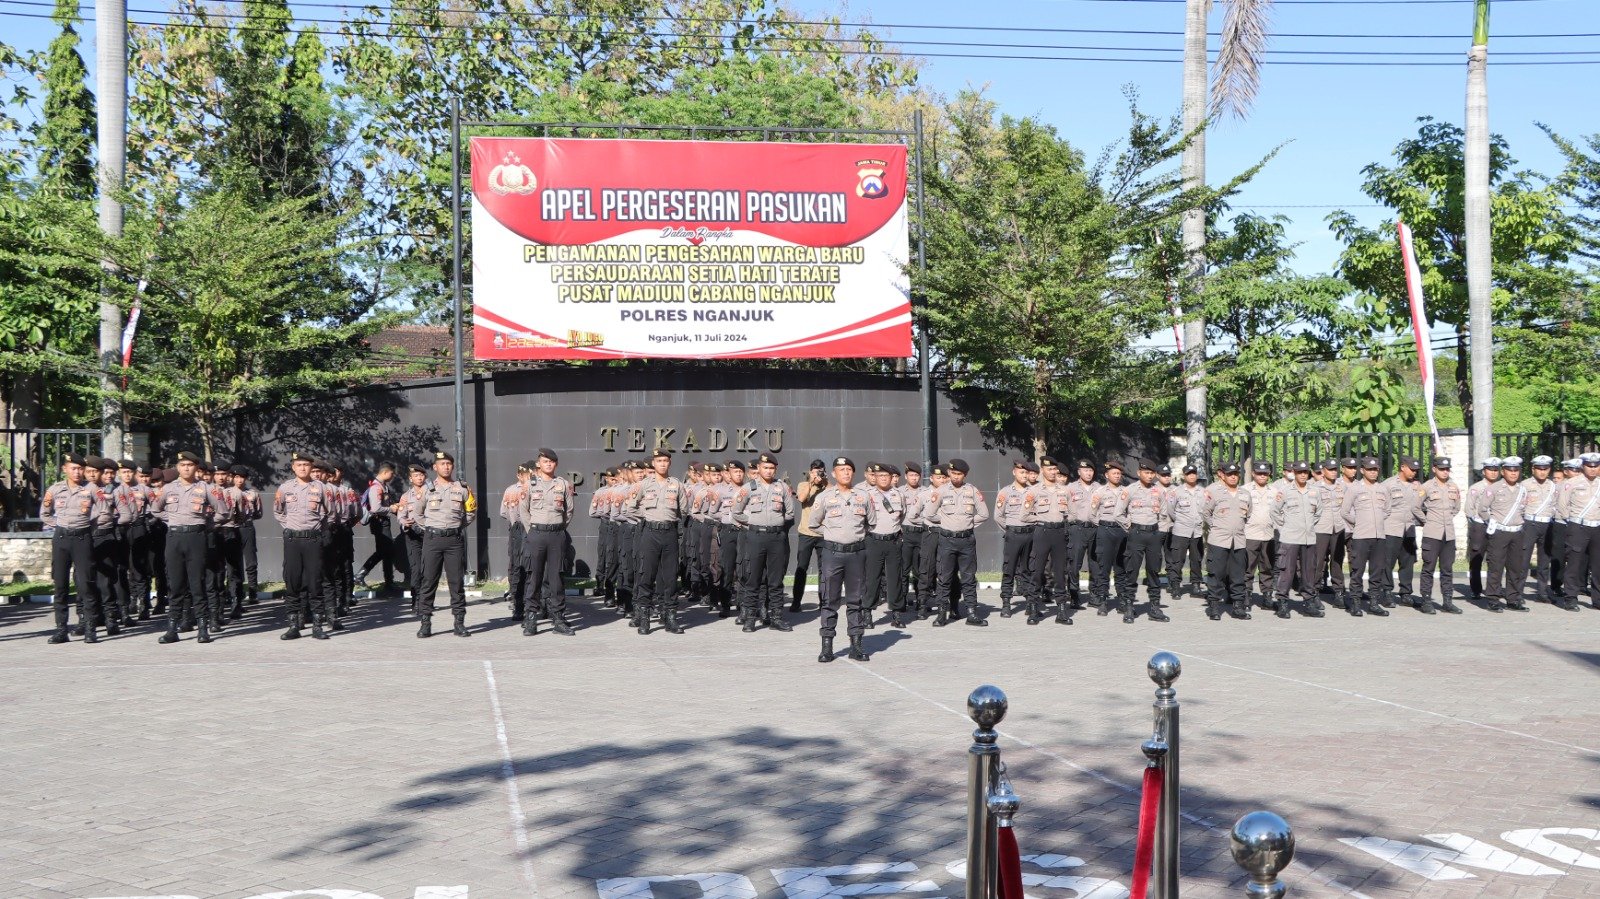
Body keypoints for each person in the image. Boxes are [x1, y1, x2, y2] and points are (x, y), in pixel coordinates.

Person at [809, 456, 876, 661]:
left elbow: (871, 523)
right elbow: (814, 523)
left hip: (856, 554)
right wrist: (833, 535)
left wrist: (853, 536)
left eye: (849, 469)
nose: (846, 473)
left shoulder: (863, 496)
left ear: (853, 473)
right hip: (833, 554)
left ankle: (856, 645)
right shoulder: (824, 497)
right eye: (841, 469)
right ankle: (827, 647)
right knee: (830, 599)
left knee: (856, 600)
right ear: (833, 474)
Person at [155, 451, 227, 643]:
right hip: (174, 537)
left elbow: (223, 512)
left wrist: (206, 525)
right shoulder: (168, 489)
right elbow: (155, 509)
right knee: (176, 585)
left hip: (196, 537)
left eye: (190, 465)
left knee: (197, 584)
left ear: (196, 467)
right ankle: (172, 629)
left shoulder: (206, 488)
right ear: (177, 468)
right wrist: (170, 520)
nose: (186, 468)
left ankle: (203, 628)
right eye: (182, 465)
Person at [40, 453, 110, 643]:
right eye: (74, 468)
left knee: (86, 584)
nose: (78, 472)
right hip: (61, 539)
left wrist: (90, 526)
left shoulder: (92, 489)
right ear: (65, 469)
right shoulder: (55, 489)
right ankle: (61, 630)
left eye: (81, 469)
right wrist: (60, 524)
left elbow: (105, 512)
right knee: (60, 585)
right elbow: (44, 513)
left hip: (83, 538)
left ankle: (90, 628)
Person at [624, 448, 689, 634]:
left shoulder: (676, 485)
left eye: (665, 461)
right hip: (649, 533)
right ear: (653, 463)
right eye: (658, 460)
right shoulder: (643, 485)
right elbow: (631, 507)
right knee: (646, 576)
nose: (662, 464)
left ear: (670, 463)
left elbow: (683, 510)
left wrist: (668, 520)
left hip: (669, 534)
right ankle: (644, 618)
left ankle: (670, 618)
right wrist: (647, 517)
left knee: (669, 578)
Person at [413, 450, 477, 638]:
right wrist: (432, 528)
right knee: (429, 581)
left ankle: (459, 622)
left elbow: (471, 512)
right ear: (435, 467)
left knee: (456, 583)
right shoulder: (427, 488)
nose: (446, 467)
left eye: (449, 464)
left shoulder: (463, 488)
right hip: (432, 539)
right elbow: (418, 514)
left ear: (452, 466)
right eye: (442, 464)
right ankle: (425, 622)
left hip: (454, 541)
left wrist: (456, 527)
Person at [733, 452, 797, 631]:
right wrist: (753, 520)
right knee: (753, 578)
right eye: (765, 467)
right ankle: (750, 618)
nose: (768, 471)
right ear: (759, 468)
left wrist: (775, 524)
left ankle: (776, 617)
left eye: (771, 468)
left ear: (775, 469)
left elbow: (790, 513)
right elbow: (736, 511)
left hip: (776, 537)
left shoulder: (783, 487)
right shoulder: (748, 488)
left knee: (775, 580)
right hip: (755, 537)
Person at [518, 448, 576, 636]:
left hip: (557, 535)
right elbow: (523, 511)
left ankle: (558, 619)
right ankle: (531, 619)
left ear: (556, 464)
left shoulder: (564, 484)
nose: (548, 464)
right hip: (536, 534)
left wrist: (558, 528)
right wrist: (532, 531)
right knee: (534, 577)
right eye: (545, 461)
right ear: (539, 464)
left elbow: (569, 511)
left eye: (552, 461)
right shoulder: (529, 484)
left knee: (557, 578)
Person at [276, 452, 333, 640]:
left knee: (315, 582)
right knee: (292, 582)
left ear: (311, 467)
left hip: (313, 540)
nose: (302, 468)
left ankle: (317, 625)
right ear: (293, 467)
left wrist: (317, 530)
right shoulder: (285, 488)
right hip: (292, 540)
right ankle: (294, 625)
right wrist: (290, 527)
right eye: (298, 465)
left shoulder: (321, 488)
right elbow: (278, 511)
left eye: (306, 465)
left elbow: (329, 513)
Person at [927, 458, 989, 626]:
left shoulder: (972, 491)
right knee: (944, 578)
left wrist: (968, 524)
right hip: (947, 540)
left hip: (967, 541)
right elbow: (929, 514)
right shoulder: (940, 491)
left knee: (968, 578)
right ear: (949, 473)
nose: (955, 477)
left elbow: (984, 514)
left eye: (959, 474)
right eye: (953, 473)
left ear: (965, 475)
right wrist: (947, 522)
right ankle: (941, 613)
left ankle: (971, 613)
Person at [1270, 462, 1321, 618]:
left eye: (1305, 472)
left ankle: (1309, 602)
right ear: (1294, 473)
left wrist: (1310, 526)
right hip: (1290, 538)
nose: (1303, 475)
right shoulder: (1285, 491)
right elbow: (1274, 511)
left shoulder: (1315, 491)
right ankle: (1282, 602)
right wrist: (1284, 528)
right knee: (1286, 570)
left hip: (1309, 538)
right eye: (1299, 472)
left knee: (1309, 571)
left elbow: (1318, 512)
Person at [1201, 462, 1251, 621]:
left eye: (1236, 474)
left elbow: (1248, 514)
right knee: (1216, 574)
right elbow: (1206, 513)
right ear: (1224, 475)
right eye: (1230, 474)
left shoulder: (1245, 494)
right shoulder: (1215, 492)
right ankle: (1214, 606)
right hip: (1219, 540)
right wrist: (1218, 527)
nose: (1233, 477)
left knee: (1238, 575)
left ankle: (1237, 606)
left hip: (1239, 541)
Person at [1341, 457, 1391, 617]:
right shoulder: (1354, 489)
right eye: (1370, 469)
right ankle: (1355, 603)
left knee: (1377, 571)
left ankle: (1374, 603)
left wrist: (1376, 520)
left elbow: (1388, 510)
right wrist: (1360, 522)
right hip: (1361, 537)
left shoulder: (1383, 489)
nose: (1373, 472)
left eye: (1375, 469)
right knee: (1357, 571)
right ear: (1362, 470)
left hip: (1379, 537)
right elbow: (1344, 511)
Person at [1025, 457, 1072, 625]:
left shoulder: (1065, 491)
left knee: (1060, 572)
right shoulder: (1034, 491)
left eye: (1054, 469)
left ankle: (1061, 610)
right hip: (1042, 531)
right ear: (1042, 471)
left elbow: (1071, 513)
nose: (1053, 472)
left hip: (1059, 532)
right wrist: (1040, 520)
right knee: (1037, 571)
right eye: (1050, 469)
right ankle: (1033, 607)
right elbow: (1025, 514)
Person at [1121, 460, 1169, 623]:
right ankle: (1128, 606)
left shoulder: (1159, 491)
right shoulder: (1130, 490)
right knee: (1132, 571)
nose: (1149, 476)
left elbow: (1163, 513)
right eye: (1146, 473)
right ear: (1139, 473)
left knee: (1154, 571)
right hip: (1136, 533)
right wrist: (1130, 527)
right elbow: (1118, 513)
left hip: (1154, 534)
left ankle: (1155, 607)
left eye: (1151, 473)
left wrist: (1159, 531)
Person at [860, 463, 906, 628]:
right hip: (874, 541)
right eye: (880, 476)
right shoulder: (867, 495)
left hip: (893, 541)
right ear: (875, 478)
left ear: (891, 477)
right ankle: (867, 613)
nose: (884, 478)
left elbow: (902, 516)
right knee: (872, 579)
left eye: (887, 475)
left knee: (895, 579)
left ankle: (897, 614)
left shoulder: (898, 495)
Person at [1483, 456, 1531, 612]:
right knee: (1496, 566)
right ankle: (1493, 599)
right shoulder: (1494, 488)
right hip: (1499, 532)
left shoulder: (1522, 489)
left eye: (1516, 470)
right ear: (1503, 472)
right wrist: (1492, 523)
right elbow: (1482, 509)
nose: (1513, 473)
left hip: (1516, 532)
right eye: (1510, 470)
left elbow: (1523, 509)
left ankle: (1513, 598)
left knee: (1515, 567)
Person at [1418, 456, 1462, 614]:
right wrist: (1427, 521)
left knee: (1447, 568)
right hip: (1432, 533)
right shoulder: (1427, 486)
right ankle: (1426, 600)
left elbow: (1456, 508)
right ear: (1434, 469)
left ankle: (1447, 601)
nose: (1445, 472)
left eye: (1447, 469)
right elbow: (1416, 507)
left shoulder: (1453, 486)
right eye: (1442, 469)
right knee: (1428, 568)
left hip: (1448, 534)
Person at [994, 460, 1036, 620]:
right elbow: (998, 516)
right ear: (1014, 472)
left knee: (1029, 569)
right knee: (1009, 569)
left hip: (1030, 534)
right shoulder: (1005, 492)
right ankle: (1006, 603)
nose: (1024, 475)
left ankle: (1030, 602)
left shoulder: (1033, 492)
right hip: (1013, 535)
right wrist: (1011, 529)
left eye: (1026, 473)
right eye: (1021, 472)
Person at [1088, 460, 1130, 617]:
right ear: (1107, 475)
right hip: (1105, 531)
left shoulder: (1126, 491)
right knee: (1103, 568)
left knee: (1121, 568)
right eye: (1114, 473)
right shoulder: (1099, 492)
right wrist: (1103, 524)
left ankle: (1122, 601)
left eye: (1119, 473)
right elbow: (1092, 514)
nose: (1117, 476)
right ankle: (1103, 601)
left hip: (1121, 531)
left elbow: (1130, 510)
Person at [1559, 452, 1600, 611]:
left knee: (1597, 565)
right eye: (1589, 466)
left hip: (1597, 526)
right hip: (1578, 526)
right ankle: (1570, 598)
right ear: (1583, 466)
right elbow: (1563, 506)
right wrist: (1574, 522)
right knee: (1574, 563)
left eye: (1595, 466)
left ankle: (1597, 599)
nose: (1592, 469)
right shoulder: (1572, 483)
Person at [1382, 457, 1425, 609]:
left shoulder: (1418, 486)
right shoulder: (1388, 484)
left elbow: (1422, 505)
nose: (1414, 472)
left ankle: (1406, 593)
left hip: (1409, 529)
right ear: (1402, 467)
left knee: (1408, 562)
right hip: (1391, 528)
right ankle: (1386, 592)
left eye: (1416, 470)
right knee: (1387, 562)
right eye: (1411, 469)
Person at [1521, 455, 1561, 604]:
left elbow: (1556, 505)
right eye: (1539, 468)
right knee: (1523, 560)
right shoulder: (1525, 485)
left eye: (1545, 469)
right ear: (1533, 469)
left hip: (1547, 525)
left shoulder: (1553, 486)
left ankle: (1542, 593)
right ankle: (1517, 592)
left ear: (1549, 469)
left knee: (1544, 561)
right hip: (1530, 524)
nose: (1542, 471)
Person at [358, 462, 399, 595]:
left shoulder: (382, 486)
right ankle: (361, 576)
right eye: (392, 473)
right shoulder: (377, 487)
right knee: (385, 552)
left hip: (383, 522)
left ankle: (388, 582)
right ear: (386, 472)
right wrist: (391, 509)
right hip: (379, 523)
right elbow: (376, 508)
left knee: (386, 552)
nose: (393, 476)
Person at [1165, 465, 1205, 599]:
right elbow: (1170, 510)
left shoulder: (1203, 492)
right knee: (1177, 560)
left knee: (1197, 559)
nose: (1192, 476)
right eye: (1189, 474)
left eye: (1194, 473)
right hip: (1181, 531)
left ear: (1197, 475)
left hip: (1197, 531)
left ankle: (1196, 586)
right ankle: (1176, 587)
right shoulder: (1176, 492)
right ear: (1184, 476)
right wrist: (1182, 521)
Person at [500, 461, 533, 622]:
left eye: (528, 474)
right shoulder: (510, 490)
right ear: (518, 475)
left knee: (530, 567)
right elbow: (504, 512)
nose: (525, 477)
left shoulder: (533, 489)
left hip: (531, 530)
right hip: (516, 530)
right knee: (516, 567)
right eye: (522, 474)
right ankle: (516, 601)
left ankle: (531, 603)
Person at [1064, 459, 1098, 610]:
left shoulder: (1099, 488)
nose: (1088, 473)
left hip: (1095, 529)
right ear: (1079, 472)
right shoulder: (1070, 488)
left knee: (1095, 564)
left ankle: (1094, 596)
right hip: (1077, 529)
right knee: (1074, 564)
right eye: (1085, 470)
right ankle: (1074, 595)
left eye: (1091, 470)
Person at [1466, 458, 1502, 599]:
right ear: (1484, 471)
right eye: (1490, 470)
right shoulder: (1477, 488)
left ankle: (1494, 588)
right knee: (1476, 557)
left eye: (1495, 470)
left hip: (1497, 525)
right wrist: (1476, 524)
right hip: (1480, 526)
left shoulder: (1501, 486)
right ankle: (1476, 589)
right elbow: (1469, 509)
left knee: (1496, 559)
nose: (1493, 473)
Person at [1243, 462, 1278, 606]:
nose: (1262, 476)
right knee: (1248, 567)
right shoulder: (1245, 490)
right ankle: (1246, 594)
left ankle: (1267, 596)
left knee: (1267, 567)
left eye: (1265, 473)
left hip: (1269, 535)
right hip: (1250, 534)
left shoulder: (1275, 491)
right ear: (1253, 474)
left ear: (1269, 474)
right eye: (1259, 473)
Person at [394, 462, 429, 605]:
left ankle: (427, 599)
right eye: (416, 475)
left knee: (428, 568)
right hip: (413, 535)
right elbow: (401, 515)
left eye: (421, 475)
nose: (419, 478)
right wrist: (404, 522)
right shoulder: (406, 496)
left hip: (429, 534)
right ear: (410, 479)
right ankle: (416, 599)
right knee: (416, 568)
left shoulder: (432, 492)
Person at [233, 466, 263, 607]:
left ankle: (253, 592)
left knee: (251, 562)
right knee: (235, 563)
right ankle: (236, 595)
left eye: (242, 477)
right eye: (236, 477)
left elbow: (258, 512)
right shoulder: (227, 493)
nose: (239, 480)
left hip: (247, 528)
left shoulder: (253, 493)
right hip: (233, 528)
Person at [897, 462, 924, 616]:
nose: (914, 478)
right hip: (905, 534)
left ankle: (921, 602)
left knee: (920, 571)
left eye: (916, 475)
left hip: (921, 534)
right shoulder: (899, 492)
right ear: (906, 476)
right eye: (911, 475)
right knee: (904, 570)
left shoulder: (925, 492)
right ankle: (903, 601)